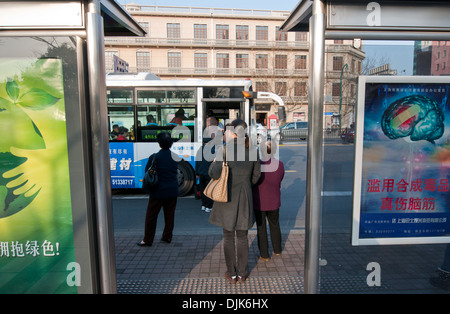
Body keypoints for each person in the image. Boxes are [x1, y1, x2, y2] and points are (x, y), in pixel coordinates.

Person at [208, 119, 261, 284]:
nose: (224, 133)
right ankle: (243, 273)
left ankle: (231, 273)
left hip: (226, 198)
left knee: (228, 237)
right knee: (243, 237)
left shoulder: (224, 150)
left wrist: (215, 162)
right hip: (245, 197)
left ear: (232, 132)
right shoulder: (252, 150)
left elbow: (213, 174)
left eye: (226, 131)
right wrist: (246, 185)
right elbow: (256, 176)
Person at [137, 132, 179, 247]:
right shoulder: (175, 157)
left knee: (151, 216)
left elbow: (147, 172)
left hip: (157, 191)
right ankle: (167, 237)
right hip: (172, 190)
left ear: (159, 143)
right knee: (170, 215)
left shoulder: (154, 157)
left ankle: (147, 240)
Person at [253, 140, 285, 261]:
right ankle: (277, 250)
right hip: (274, 201)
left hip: (259, 202)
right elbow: (280, 179)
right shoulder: (280, 164)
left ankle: (264, 254)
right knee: (275, 225)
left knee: (261, 228)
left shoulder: (257, 165)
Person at [195, 138, 214, 213]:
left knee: (202, 190)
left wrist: (197, 173)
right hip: (209, 174)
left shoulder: (200, 150)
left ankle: (203, 205)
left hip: (201, 173)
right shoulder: (212, 150)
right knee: (209, 190)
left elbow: (197, 162)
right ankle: (209, 206)